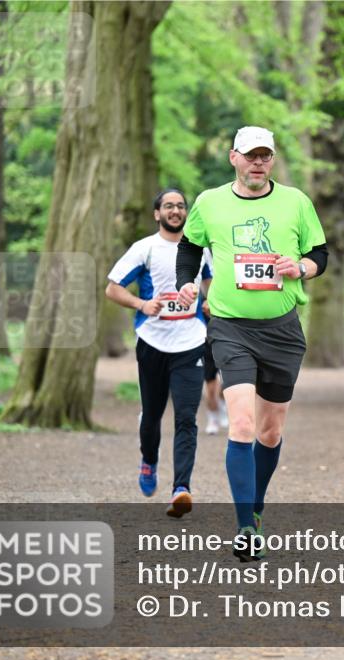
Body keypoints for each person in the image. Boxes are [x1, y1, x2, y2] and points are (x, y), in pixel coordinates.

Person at [175, 126, 328, 561]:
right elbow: (190, 247)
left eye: (265, 155)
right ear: (233, 158)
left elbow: (321, 254)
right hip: (229, 326)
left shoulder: (296, 202)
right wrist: (187, 283)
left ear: (272, 160)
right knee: (241, 424)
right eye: (250, 155)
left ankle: (256, 506)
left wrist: (301, 267)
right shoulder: (209, 202)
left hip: (281, 329)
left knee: (270, 430)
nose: (258, 162)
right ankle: (245, 528)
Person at [105, 188, 213, 518]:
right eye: (169, 206)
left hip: (191, 342)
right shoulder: (144, 248)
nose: (175, 210)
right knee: (152, 416)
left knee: (186, 417)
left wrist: (208, 302)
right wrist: (142, 304)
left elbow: (211, 289)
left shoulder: (200, 249)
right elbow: (112, 288)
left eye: (180, 206)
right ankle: (149, 460)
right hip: (152, 342)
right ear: (157, 214)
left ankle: (182, 488)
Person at [200, 297, 228, 435]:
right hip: (205, 341)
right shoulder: (197, 284)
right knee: (210, 387)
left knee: (227, 384)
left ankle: (222, 406)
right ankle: (212, 419)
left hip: (227, 339)